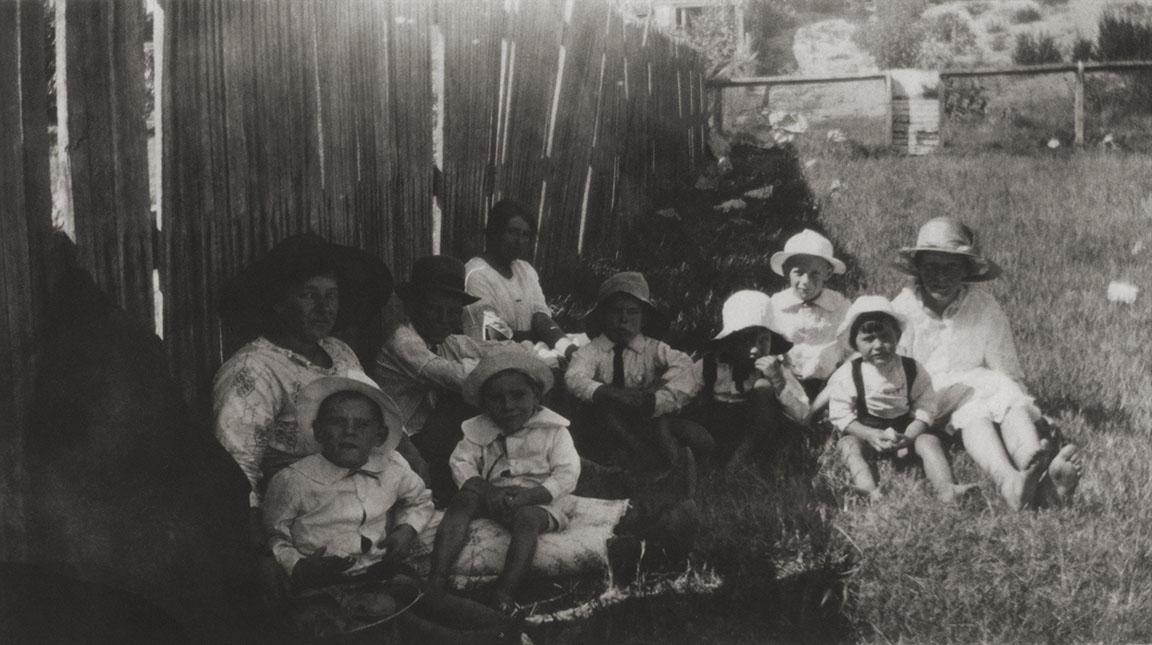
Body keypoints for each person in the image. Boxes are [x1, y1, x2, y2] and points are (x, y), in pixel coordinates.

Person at [263, 376, 518, 643]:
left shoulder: (391, 468)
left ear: (379, 435)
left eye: (362, 425)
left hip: (377, 572)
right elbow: (274, 537)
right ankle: (467, 639)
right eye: (338, 422)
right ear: (317, 431)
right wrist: (300, 567)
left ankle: (505, 624)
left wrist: (406, 530)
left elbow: (419, 500)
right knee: (377, 616)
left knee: (424, 596)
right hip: (320, 586)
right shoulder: (294, 481)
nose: (349, 431)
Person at [891, 217, 1082, 510]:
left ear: (966, 271)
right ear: (917, 268)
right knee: (977, 401)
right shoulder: (903, 310)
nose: (940, 277)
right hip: (927, 399)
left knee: (1002, 393)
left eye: (951, 267)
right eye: (931, 267)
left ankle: (1030, 472)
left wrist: (1030, 409)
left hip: (978, 386)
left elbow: (1004, 367)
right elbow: (895, 374)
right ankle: (1016, 479)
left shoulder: (984, 307)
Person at [212, 234, 395, 534]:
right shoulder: (254, 370)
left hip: (364, 496)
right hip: (303, 514)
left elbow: (377, 413)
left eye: (332, 295)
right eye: (309, 295)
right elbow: (237, 470)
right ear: (279, 304)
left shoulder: (338, 351)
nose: (324, 308)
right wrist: (260, 549)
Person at [429, 349, 580, 613]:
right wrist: (485, 490)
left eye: (518, 395)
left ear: (536, 398)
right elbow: (460, 462)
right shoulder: (478, 430)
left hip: (538, 500)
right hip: (491, 495)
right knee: (463, 500)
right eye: (496, 398)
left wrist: (530, 497)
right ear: (485, 404)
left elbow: (567, 474)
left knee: (527, 520)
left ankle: (505, 590)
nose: (508, 405)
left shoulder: (554, 431)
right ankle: (437, 578)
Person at [828, 296, 976, 503]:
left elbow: (925, 407)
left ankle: (946, 488)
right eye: (868, 339)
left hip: (906, 431)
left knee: (929, 441)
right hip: (868, 433)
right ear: (854, 343)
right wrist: (869, 435)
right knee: (848, 445)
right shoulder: (849, 374)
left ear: (897, 336)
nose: (878, 345)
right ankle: (868, 490)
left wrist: (909, 435)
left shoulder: (912, 369)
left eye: (885, 337)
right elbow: (841, 414)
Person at [565, 272, 713, 472]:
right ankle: (646, 458)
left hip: (647, 415)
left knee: (695, 436)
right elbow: (575, 377)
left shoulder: (653, 349)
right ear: (603, 316)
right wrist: (612, 393)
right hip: (607, 420)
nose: (623, 319)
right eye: (616, 311)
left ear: (644, 319)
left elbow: (684, 363)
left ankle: (674, 463)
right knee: (607, 414)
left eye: (632, 312)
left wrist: (656, 391)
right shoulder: (590, 352)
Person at [373, 255, 488, 504]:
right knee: (468, 400)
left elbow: (488, 349)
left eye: (452, 312)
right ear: (413, 306)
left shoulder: (442, 340)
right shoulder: (403, 342)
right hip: (397, 442)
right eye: (435, 309)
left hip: (428, 436)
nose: (444, 319)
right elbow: (459, 377)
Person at [691, 290, 810, 470]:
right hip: (718, 425)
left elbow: (802, 415)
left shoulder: (776, 369)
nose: (755, 349)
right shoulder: (711, 365)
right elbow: (679, 390)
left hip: (757, 432)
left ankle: (741, 460)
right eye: (746, 340)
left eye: (763, 340)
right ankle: (706, 456)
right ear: (730, 341)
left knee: (763, 387)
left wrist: (779, 383)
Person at [463, 200, 575, 359]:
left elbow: (540, 317)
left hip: (531, 352)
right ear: (494, 232)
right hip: (495, 360)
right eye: (512, 232)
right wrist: (541, 338)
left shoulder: (525, 270)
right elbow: (495, 337)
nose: (519, 241)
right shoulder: (477, 275)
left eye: (525, 235)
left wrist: (568, 348)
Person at [769, 229, 851, 405]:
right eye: (798, 272)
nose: (805, 281)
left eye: (815, 273)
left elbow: (850, 348)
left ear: (828, 273)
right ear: (786, 272)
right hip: (788, 379)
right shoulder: (776, 305)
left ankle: (823, 414)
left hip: (830, 381)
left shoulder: (840, 306)